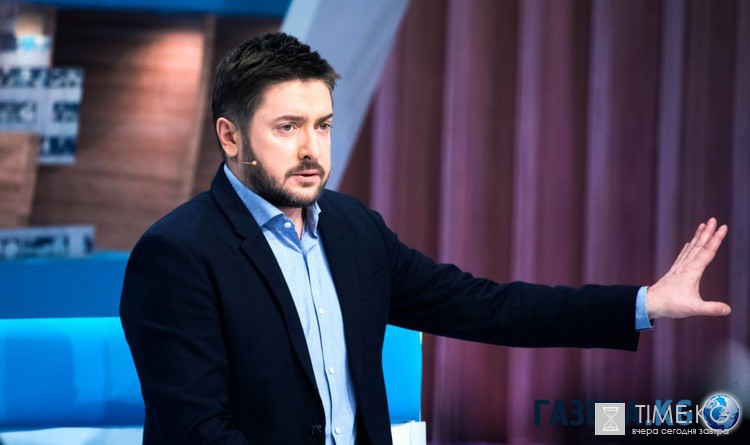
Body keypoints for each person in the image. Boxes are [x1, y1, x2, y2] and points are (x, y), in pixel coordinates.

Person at [119, 32, 731, 445]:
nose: (311, 150)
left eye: (323, 125)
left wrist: (642, 303)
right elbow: (197, 431)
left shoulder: (353, 229)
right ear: (230, 136)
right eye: (286, 127)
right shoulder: (177, 254)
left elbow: (485, 306)